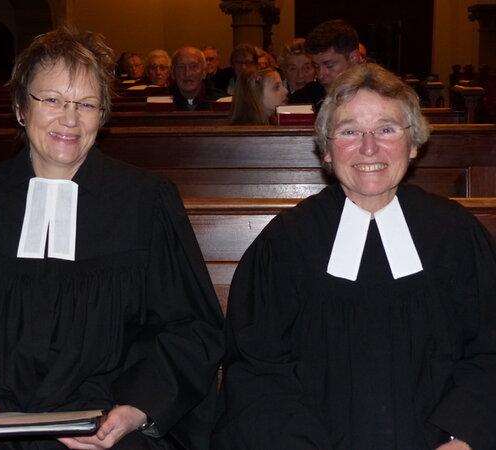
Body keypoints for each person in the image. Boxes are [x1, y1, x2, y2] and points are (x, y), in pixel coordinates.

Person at [0, 26, 224, 450]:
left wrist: (137, 407)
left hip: (106, 425)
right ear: (19, 106)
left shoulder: (146, 202)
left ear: (103, 115)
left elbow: (189, 326)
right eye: (51, 100)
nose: (69, 118)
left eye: (86, 104)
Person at [212, 63, 496, 450]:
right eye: (349, 131)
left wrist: (463, 436)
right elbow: (257, 371)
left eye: (386, 129)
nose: (368, 147)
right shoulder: (286, 243)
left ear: (414, 144)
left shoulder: (455, 235)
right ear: (326, 149)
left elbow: (490, 351)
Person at [289, 19, 361, 110]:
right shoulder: (304, 99)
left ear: (353, 58)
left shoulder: (379, 95)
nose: (320, 75)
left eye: (329, 66)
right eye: (316, 66)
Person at [170, 46, 226, 111]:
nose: (187, 73)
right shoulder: (160, 103)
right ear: (172, 72)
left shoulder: (223, 102)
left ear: (204, 72)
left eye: (194, 66)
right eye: (181, 67)